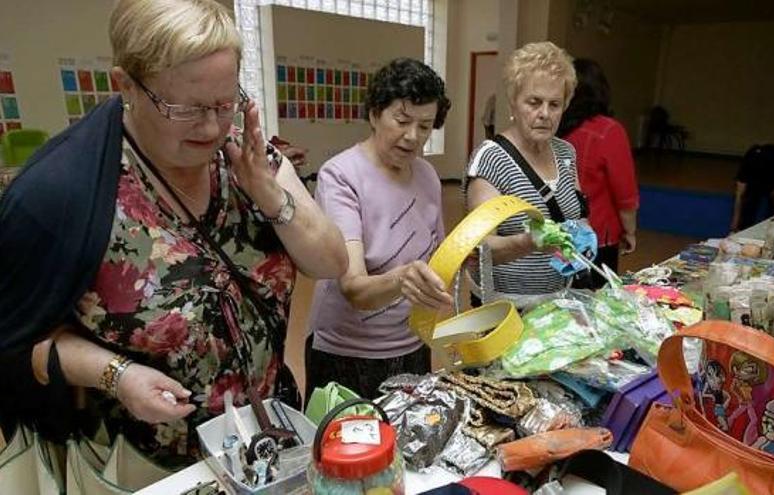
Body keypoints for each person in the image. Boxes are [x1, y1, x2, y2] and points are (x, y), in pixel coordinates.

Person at [0, 0, 347, 471]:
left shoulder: (249, 155)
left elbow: (331, 264)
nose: (210, 126)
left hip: (266, 436)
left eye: (225, 103)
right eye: (184, 108)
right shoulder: (62, 194)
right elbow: (20, 341)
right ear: (127, 86)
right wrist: (117, 374)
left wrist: (267, 192)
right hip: (150, 462)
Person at [305, 58, 452, 400]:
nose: (412, 137)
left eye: (426, 126)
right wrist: (404, 278)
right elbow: (354, 289)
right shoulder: (340, 176)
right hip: (347, 353)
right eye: (401, 121)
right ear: (374, 114)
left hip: (410, 345)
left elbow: (441, 257)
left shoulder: (428, 176)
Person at [465, 42, 586, 299]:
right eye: (534, 102)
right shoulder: (491, 158)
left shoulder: (566, 152)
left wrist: (584, 234)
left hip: (558, 299)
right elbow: (480, 247)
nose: (544, 114)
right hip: (505, 308)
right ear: (513, 102)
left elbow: (577, 213)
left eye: (554, 104)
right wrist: (529, 242)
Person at [558, 58, 638, 281]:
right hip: (596, 234)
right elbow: (625, 194)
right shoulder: (609, 130)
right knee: (596, 300)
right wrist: (629, 230)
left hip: (555, 233)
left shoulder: (553, 126)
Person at [730, 144, 774, 232]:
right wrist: (735, 221)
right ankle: (743, 229)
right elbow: (739, 196)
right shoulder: (746, 168)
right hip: (754, 184)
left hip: (771, 179)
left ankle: (773, 226)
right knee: (749, 204)